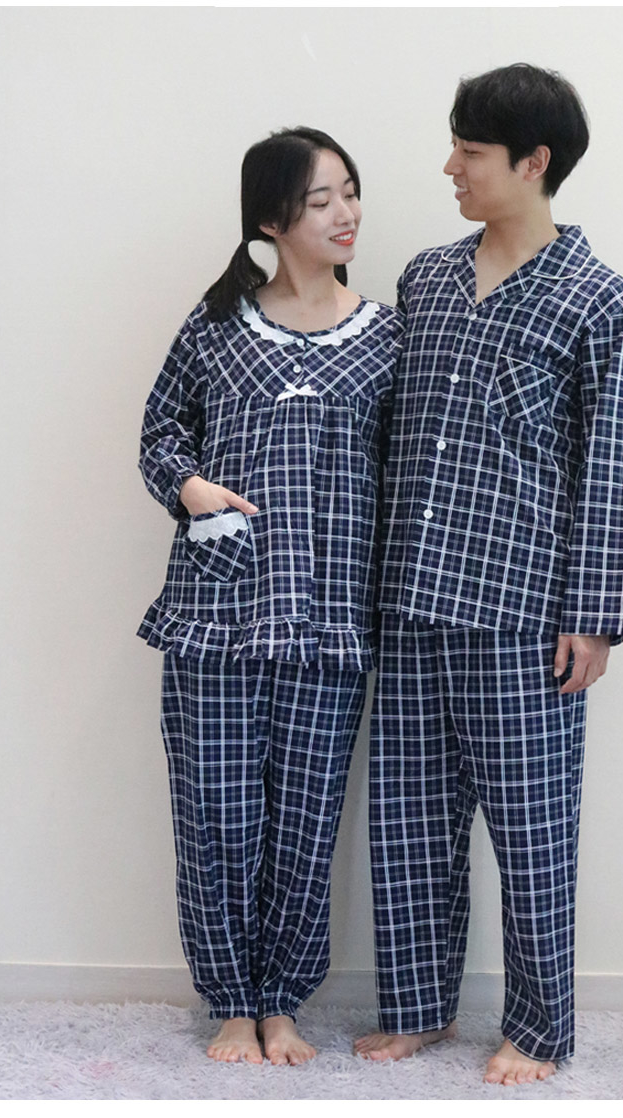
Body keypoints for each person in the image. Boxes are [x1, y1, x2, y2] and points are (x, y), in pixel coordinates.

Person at [354, 65, 623, 1085]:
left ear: (533, 162)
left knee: (532, 833)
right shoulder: (426, 280)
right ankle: (417, 1009)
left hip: (524, 615)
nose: (450, 166)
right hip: (408, 597)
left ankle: (537, 1028)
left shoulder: (602, 302)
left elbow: (609, 466)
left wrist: (593, 617)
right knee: (407, 825)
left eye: (470, 151)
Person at [138, 127, 398, 1066]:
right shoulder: (216, 325)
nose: (347, 213)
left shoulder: (389, 338)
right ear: (272, 220)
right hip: (216, 616)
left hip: (330, 621)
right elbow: (159, 434)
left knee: (305, 823)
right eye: (322, 199)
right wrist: (192, 491)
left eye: (351, 192)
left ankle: (281, 1003)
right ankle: (231, 1004)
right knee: (214, 818)